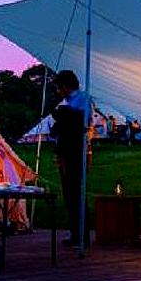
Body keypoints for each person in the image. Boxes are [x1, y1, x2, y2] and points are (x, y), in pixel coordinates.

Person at [50, 69, 92, 248]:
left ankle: (82, 235)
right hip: (65, 150)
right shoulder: (66, 102)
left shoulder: (82, 100)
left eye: (59, 88)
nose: (58, 92)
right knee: (69, 193)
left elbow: (81, 123)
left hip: (75, 150)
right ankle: (75, 233)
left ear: (66, 86)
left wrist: (64, 116)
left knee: (76, 192)